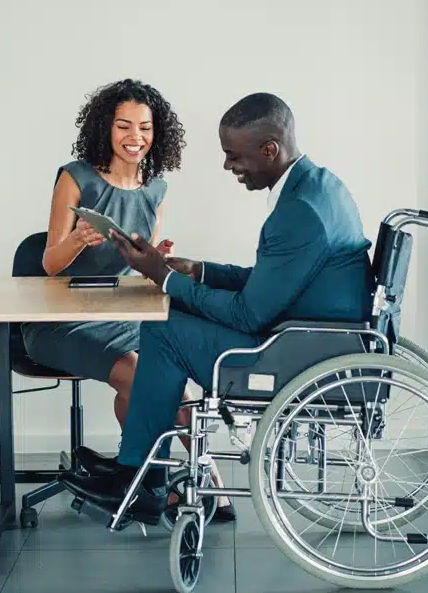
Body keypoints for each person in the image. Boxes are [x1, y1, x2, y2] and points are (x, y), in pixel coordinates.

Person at [59, 92, 375, 524]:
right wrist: (201, 270)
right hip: (307, 333)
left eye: (234, 156)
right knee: (170, 321)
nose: (229, 166)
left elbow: (250, 314)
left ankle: (139, 479)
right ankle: (140, 476)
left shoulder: (298, 212)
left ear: (269, 150)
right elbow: (279, 281)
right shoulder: (320, 186)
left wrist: (163, 277)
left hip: (294, 354)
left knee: (163, 331)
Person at [23, 78, 235, 517]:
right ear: (105, 128)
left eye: (144, 127)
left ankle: (196, 480)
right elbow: (49, 264)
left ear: (157, 133)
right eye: (123, 126)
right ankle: (145, 483)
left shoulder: (155, 188)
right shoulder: (75, 177)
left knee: (175, 383)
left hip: (119, 313)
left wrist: (153, 259)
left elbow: (136, 267)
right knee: (142, 377)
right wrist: (79, 238)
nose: (134, 137)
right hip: (59, 322)